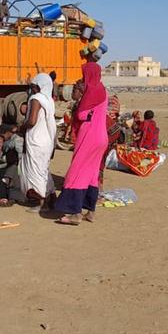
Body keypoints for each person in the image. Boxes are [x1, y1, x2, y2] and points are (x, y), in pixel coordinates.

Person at [55, 62, 109, 225]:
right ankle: (90, 211)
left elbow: (82, 115)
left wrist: (79, 102)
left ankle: (75, 214)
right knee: (91, 175)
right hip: (101, 137)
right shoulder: (102, 90)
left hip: (89, 137)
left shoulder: (91, 91)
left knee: (77, 173)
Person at [19, 73, 57, 213]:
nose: (32, 89)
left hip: (36, 141)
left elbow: (32, 121)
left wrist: (21, 128)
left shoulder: (36, 99)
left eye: (34, 86)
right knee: (44, 171)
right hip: (46, 140)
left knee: (36, 172)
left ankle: (42, 203)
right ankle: (52, 198)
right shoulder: (49, 100)